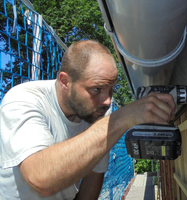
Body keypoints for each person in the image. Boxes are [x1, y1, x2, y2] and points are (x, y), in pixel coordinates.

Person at [0, 40, 176, 200]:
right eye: (96, 89)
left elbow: (93, 176)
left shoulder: (98, 113)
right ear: (65, 81)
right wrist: (122, 118)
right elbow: (41, 177)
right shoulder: (23, 99)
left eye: (110, 89)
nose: (107, 101)